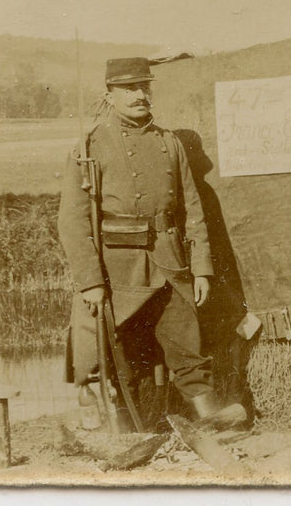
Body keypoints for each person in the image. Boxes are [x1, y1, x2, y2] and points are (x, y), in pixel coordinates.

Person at [58, 57, 248, 429]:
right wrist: (92, 282)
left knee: (186, 343)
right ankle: (126, 427)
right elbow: (72, 220)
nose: (139, 95)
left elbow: (192, 209)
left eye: (144, 86)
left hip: (169, 264)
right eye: (129, 88)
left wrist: (202, 269)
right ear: (109, 94)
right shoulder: (89, 146)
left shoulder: (169, 143)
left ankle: (210, 419)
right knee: (119, 354)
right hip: (118, 271)